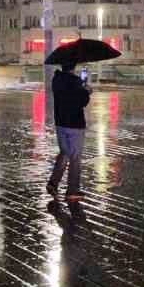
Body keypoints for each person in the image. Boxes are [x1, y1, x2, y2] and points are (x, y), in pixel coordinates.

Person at [47, 60, 90, 200]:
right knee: (75, 157)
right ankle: (72, 189)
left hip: (61, 122)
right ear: (74, 66)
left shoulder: (56, 79)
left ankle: (53, 182)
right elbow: (81, 102)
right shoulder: (75, 81)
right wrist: (87, 91)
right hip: (75, 124)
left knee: (64, 153)